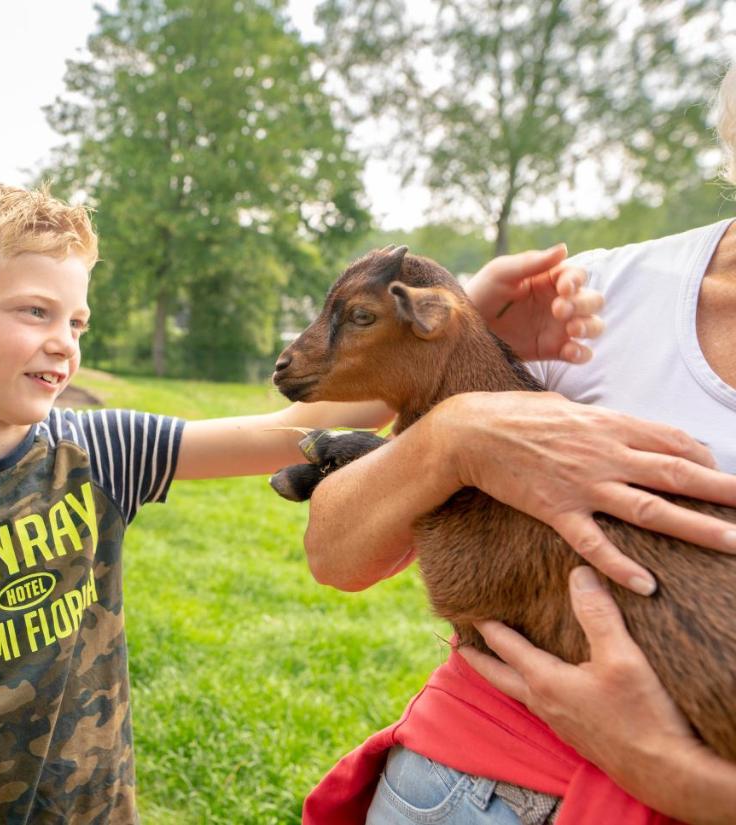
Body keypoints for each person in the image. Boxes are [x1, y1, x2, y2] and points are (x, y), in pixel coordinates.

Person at [0, 181, 600, 825]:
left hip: (100, 809)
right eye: (34, 311)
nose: (64, 340)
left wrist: (451, 327)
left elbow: (292, 430)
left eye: (75, 317)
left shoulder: (100, 451)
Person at [302, 65, 736, 824]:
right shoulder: (597, 297)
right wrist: (453, 430)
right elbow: (338, 551)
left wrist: (671, 772)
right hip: (458, 787)